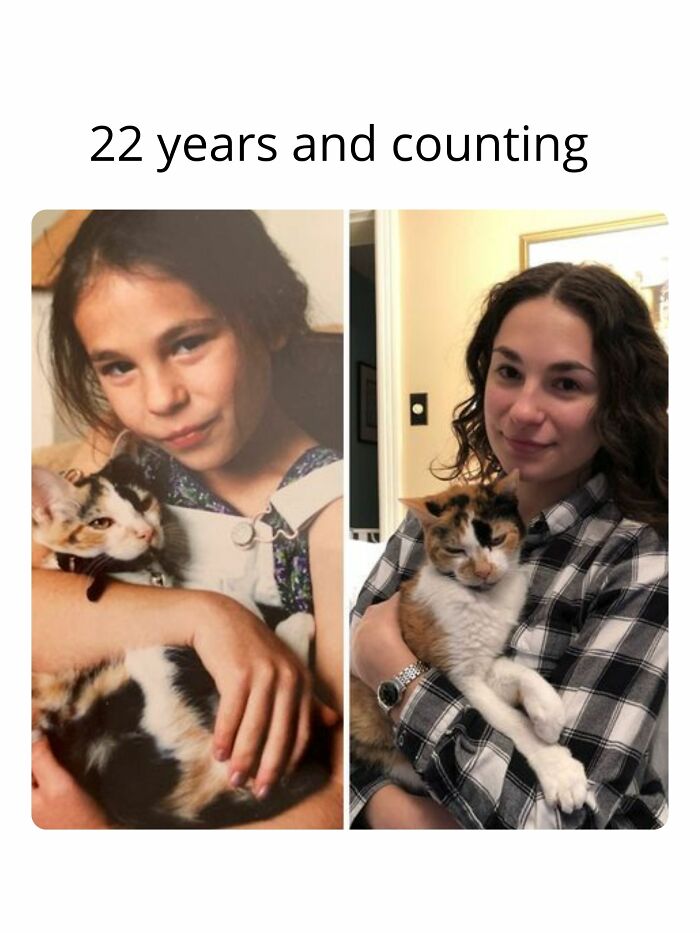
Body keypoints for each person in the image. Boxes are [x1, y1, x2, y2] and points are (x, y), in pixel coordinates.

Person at [32, 210, 343, 829]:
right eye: (118, 366)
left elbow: (338, 799)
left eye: (187, 343)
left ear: (271, 319)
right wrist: (204, 616)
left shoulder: (331, 513)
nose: (160, 398)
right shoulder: (124, 455)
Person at [350, 261, 668, 829]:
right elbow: (333, 704)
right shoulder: (440, 521)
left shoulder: (639, 562)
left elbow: (559, 822)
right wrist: (383, 804)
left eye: (567, 383)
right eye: (508, 372)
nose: (522, 411)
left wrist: (394, 673)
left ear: (620, 400)